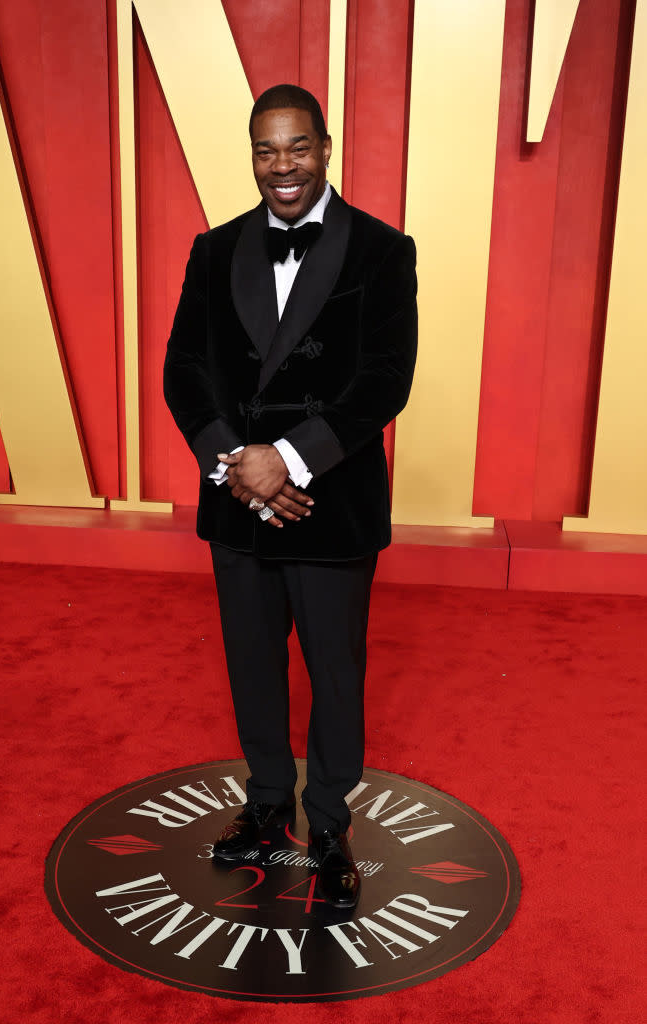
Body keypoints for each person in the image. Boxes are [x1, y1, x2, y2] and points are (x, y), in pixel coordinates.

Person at [164, 84, 417, 909]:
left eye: (298, 147)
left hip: (330, 503)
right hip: (238, 498)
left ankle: (332, 826)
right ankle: (267, 804)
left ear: (326, 147)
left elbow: (384, 380)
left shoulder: (382, 250)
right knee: (251, 664)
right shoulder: (214, 249)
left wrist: (292, 461)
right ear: (252, 154)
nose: (283, 166)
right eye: (266, 150)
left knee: (335, 674)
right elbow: (183, 372)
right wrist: (240, 464)